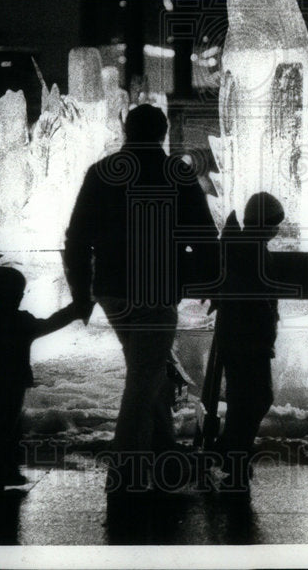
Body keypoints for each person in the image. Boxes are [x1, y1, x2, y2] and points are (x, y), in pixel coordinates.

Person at [64, 104, 218, 493]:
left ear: (126, 130)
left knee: (146, 368)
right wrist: (205, 283)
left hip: (113, 289)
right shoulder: (176, 173)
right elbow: (202, 236)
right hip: (156, 288)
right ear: (163, 132)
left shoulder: (101, 172)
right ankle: (126, 471)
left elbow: (77, 239)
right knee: (144, 375)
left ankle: (163, 452)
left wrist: (82, 294)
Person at [0, 266, 83, 492]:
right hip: (11, 385)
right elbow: (50, 324)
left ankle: (5, 468)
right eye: (20, 293)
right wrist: (75, 309)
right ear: (16, 296)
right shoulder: (20, 321)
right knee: (4, 428)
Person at [212, 192, 285, 492]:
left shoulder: (243, 245)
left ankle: (232, 453)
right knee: (257, 398)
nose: (277, 230)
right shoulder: (252, 250)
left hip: (237, 337)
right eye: (274, 224)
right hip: (249, 340)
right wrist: (269, 320)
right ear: (263, 223)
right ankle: (232, 452)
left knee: (244, 399)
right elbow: (258, 297)